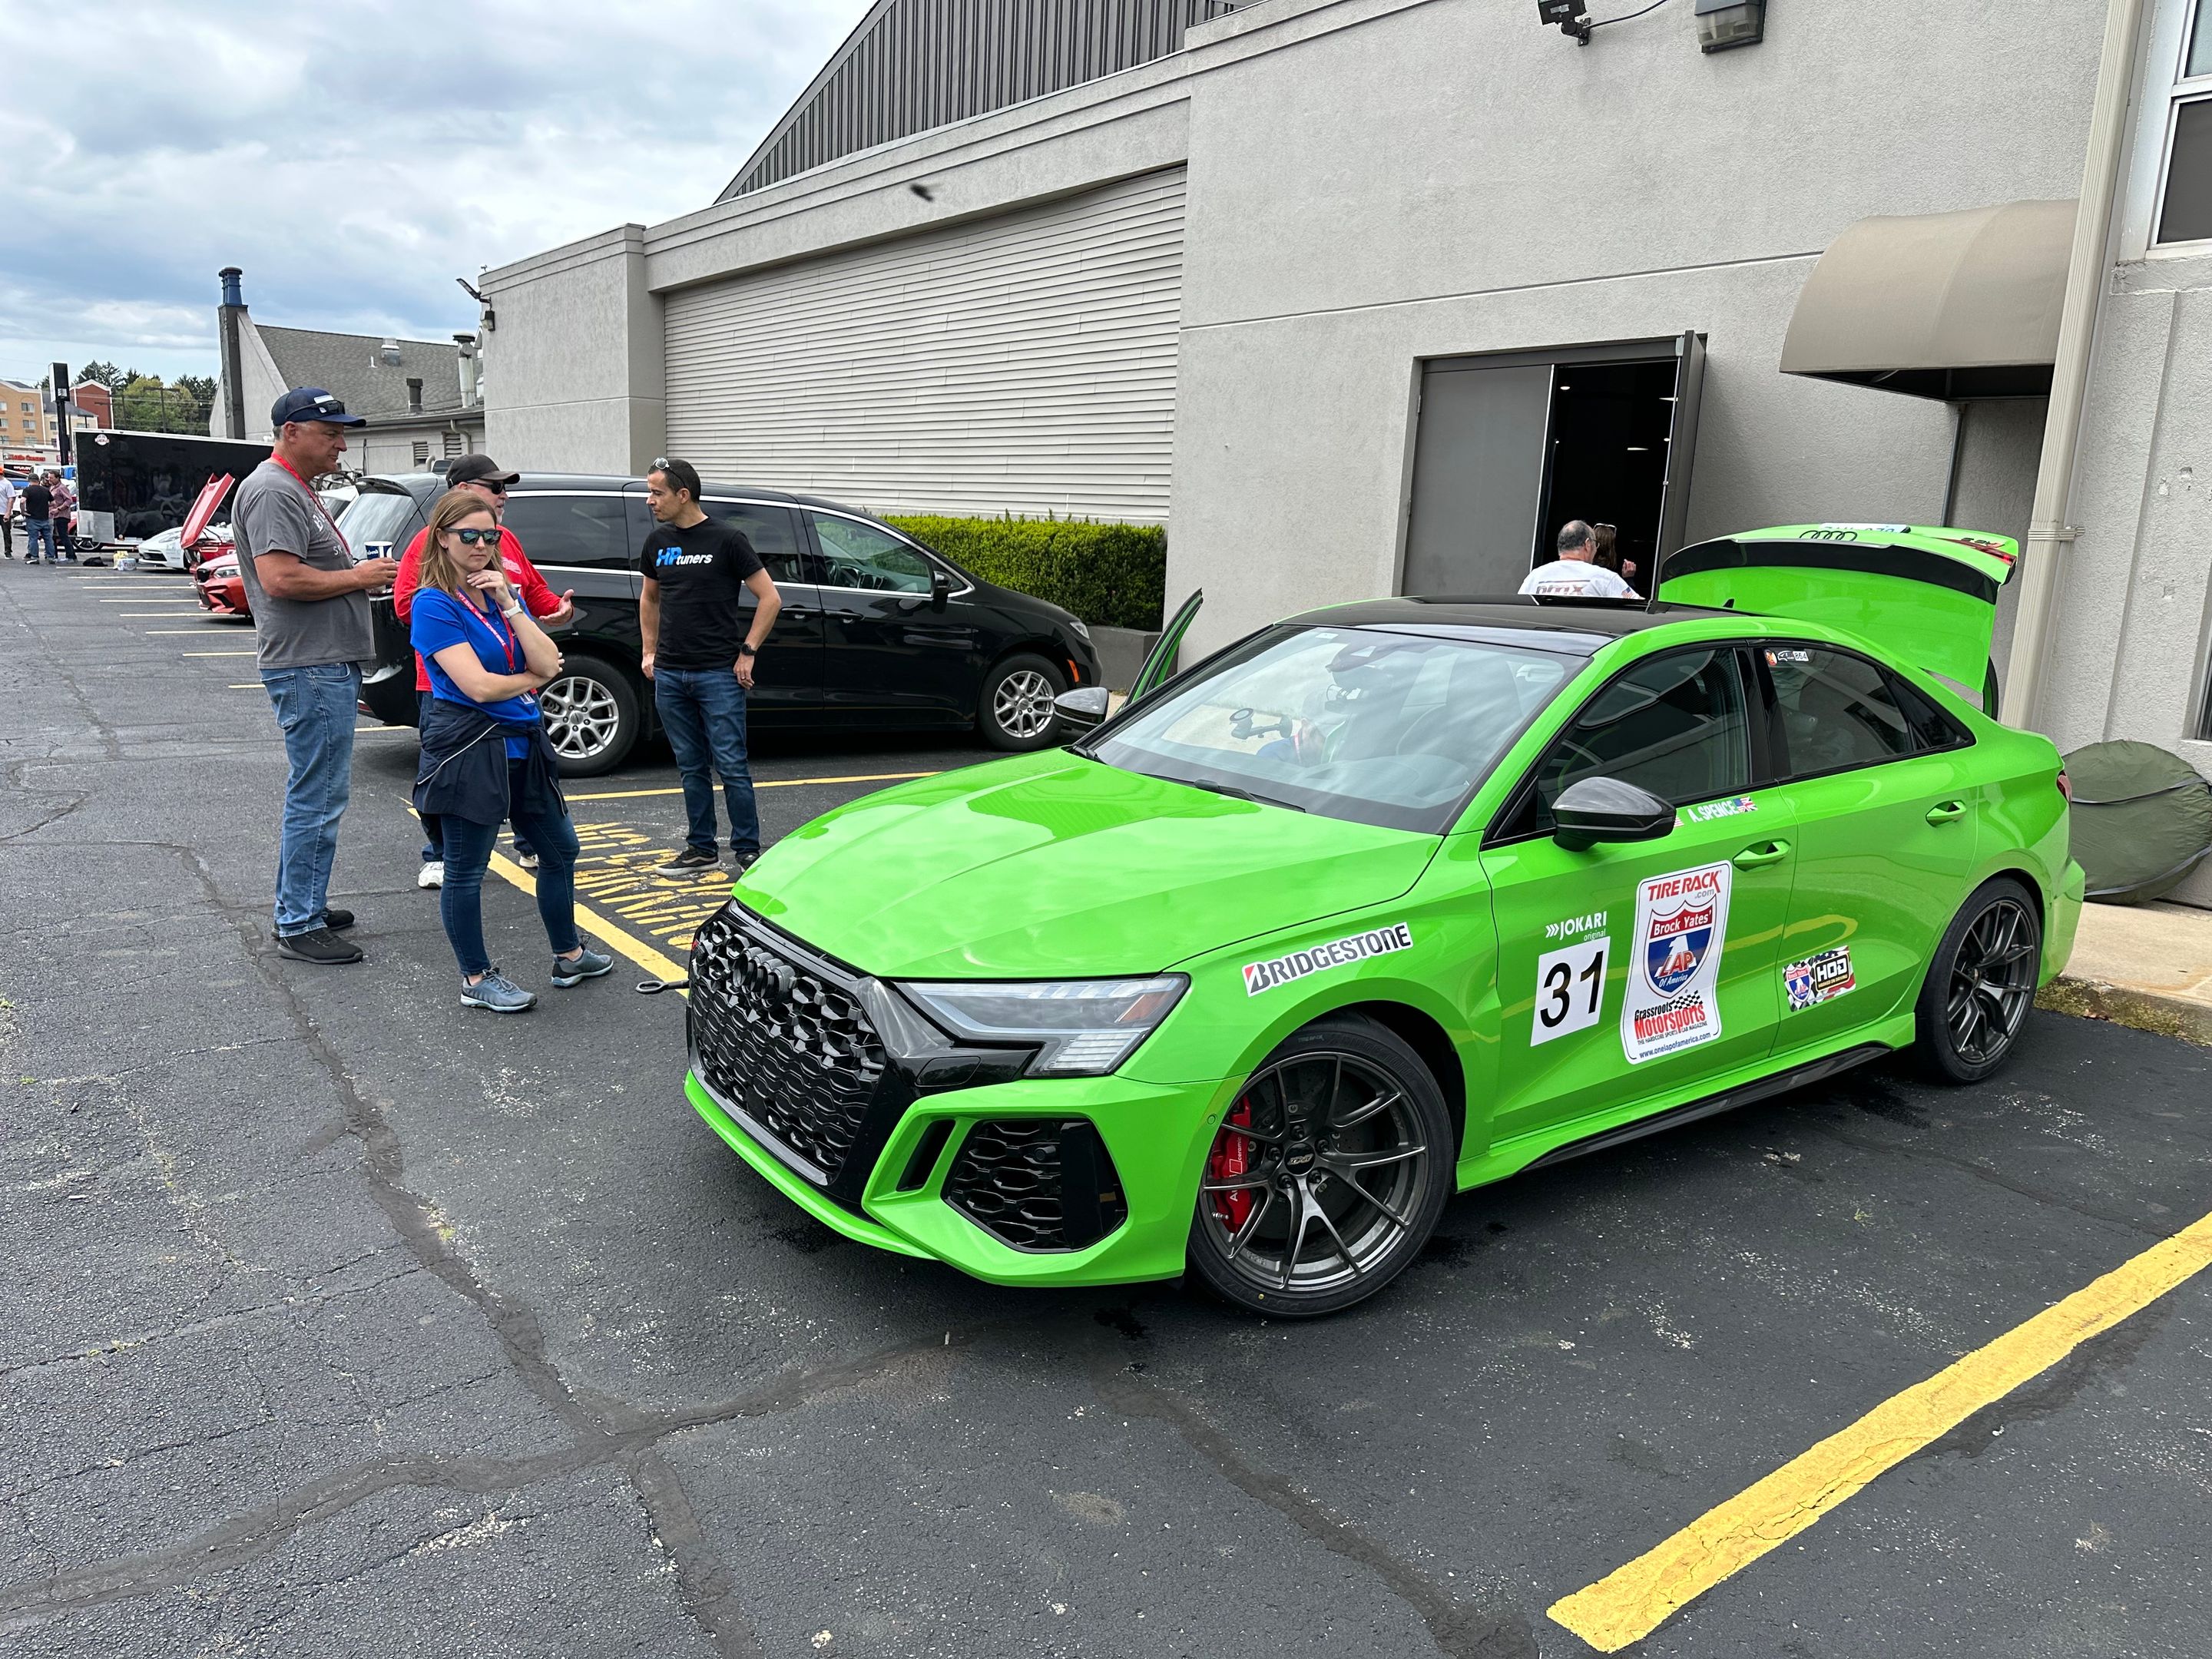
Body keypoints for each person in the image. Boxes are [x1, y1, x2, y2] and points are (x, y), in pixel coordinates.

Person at [409, 488, 611, 1012]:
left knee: (561, 850)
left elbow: (551, 657)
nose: (480, 545)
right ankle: (475, 979)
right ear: (443, 539)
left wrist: (510, 602)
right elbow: (476, 686)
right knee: (466, 869)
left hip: (523, 744)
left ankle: (569, 955)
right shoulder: (433, 604)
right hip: (472, 747)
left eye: (489, 535)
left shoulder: (494, 597)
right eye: (468, 536)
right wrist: (530, 677)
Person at [231, 388, 397, 965]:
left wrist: (356, 577)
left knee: (319, 793)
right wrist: (358, 577)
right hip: (311, 665)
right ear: (292, 432)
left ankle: (303, 901)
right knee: (318, 796)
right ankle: (297, 922)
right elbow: (280, 580)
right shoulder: (273, 490)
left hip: (322, 663)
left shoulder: (291, 488)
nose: (340, 443)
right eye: (329, 433)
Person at [392, 454, 572, 889]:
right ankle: (438, 854)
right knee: (449, 776)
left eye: (504, 488)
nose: (503, 495)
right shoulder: (429, 545)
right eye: (494, 487)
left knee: (522, 770)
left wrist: (553, 611)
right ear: (460, 490)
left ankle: (530, 841)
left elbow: (531, 591)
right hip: (446, 688)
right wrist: (464, 629)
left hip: (507, 682)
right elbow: (405, 605)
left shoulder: (503, 540)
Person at [638, 457, 781, 872]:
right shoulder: (658, 542)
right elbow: (650, 598)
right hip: (670, 672)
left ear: (683, 495)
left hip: (718, 673)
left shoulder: (728, 540)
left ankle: (747, 850)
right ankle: (702, 849)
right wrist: (650, 652)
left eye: (657, 493)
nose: (650, 501)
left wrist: (748, 650)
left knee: (732, 765)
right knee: (690, 766)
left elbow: (770, 598)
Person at [1520, 520, 1640, 599]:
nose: (1596, 550)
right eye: (1595, 544)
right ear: (1588, 545)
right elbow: (1636, 606)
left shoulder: (1535, 577)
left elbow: (1520, 612)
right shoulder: (1606, 579)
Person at [22, 472, 55, 565]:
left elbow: (22, 501)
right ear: (38, 480)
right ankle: (51, 557)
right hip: (45, 518)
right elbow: (54, 503)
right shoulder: (45, 490)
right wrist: (45, 505)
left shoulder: (27, 490)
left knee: (33, 538)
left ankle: (35, 557)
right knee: (48, 538)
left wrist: (23, 511)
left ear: (29, 480)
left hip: (32, 518)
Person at [48, 471, 78, 560]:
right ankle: (55, 556)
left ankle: (70, 556)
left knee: (63, 536)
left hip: (62, 516)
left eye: (51, 478)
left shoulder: (62, 488)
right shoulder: (52, 487)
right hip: (54, 516)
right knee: (54, 536)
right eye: (49, 477)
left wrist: (58, 509)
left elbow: (69, 501)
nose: (49, 479)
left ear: (57, 478)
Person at [0, 472, 15, 558]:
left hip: (3, 512)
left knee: (6, 533)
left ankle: (8, 551)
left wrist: (8, 513)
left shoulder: (7, 484)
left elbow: (11, 499)